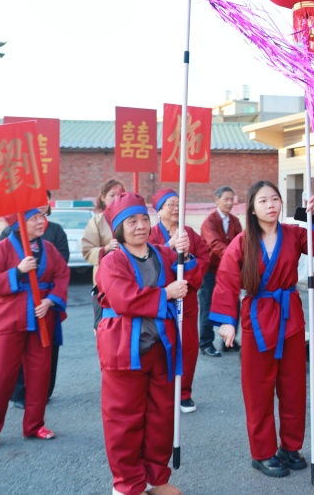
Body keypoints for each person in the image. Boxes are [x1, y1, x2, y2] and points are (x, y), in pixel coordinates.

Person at [210, 181, 314, 478]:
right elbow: (226, 281)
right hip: (256, 319)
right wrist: (227, 322)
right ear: (252, 208)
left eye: (275, 199)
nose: (271, 205)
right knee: (258, 390)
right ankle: (262, 453)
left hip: (290, 316)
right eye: (263, 201)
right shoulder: (241, 242)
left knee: (292, 387)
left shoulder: (293, 233)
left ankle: (290, 447)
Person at [96, 192, 191, 495]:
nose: (140, 226)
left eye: (144, 219)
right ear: (119, 228)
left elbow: (192, 276)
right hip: (125, 350)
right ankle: (127, 486)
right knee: (124, 421)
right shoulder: (112, 261)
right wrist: (166, 294)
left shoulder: (161, 253)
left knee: (161, 417)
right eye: (131, 221)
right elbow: (124, 299)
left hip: (160, 348)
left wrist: (185, 256)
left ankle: (154, 478)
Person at [0, 206, 69, 451]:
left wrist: (51, 301)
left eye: (42, 216)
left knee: (39, 374)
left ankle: (34, 424)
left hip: (41, 319)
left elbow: (62, 275)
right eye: (34, 218)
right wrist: (17, 272)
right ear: (19, 223)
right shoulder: (1, 250)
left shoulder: (48, 249)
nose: (42, 221)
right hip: (8, 321)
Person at [0, 191, 70, 409]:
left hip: (47, 300)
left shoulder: (55, 231)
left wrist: (50, 297)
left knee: (48, 347)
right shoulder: (9, 233)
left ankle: (44, 391)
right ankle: (19, 393)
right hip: (19, 300)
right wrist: (21, 273)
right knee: (19, 349)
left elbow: (62, 264)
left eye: (43, 204)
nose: (40, 211)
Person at [148, 188, 208, 413]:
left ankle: (184, 393)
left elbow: (204, 258)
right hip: (162, 299)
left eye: (178, 204)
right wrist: (170, 246)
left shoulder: (190, 233)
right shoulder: (151, 234)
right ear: (159, 210)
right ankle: (162, 392)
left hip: (187, 297)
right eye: (170, 204)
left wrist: (190, 257)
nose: (175, 208)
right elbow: (147, 261)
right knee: (160, 346)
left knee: (188, 346)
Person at [199, 185, 243, 356]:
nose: (230, 202)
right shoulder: (209, 221)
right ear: (216, 200)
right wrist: (234, 256)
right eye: (226, 199)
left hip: (229, 271)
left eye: (232, 199)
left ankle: (228, 341)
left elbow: (240, 242)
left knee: (233, 303)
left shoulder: (235, 221)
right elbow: (214, 244)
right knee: (208, 305)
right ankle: (205, 343)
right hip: (210, 271)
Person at [82, 179, 125, 329]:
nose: (115, 199)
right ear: (103, 198)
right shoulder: (96, 221)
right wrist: (105, 249)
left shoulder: (129, 219)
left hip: (127, 279)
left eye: (120, 195)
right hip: (103, 281)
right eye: (111, 195)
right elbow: (87, 250)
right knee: (103, 325)